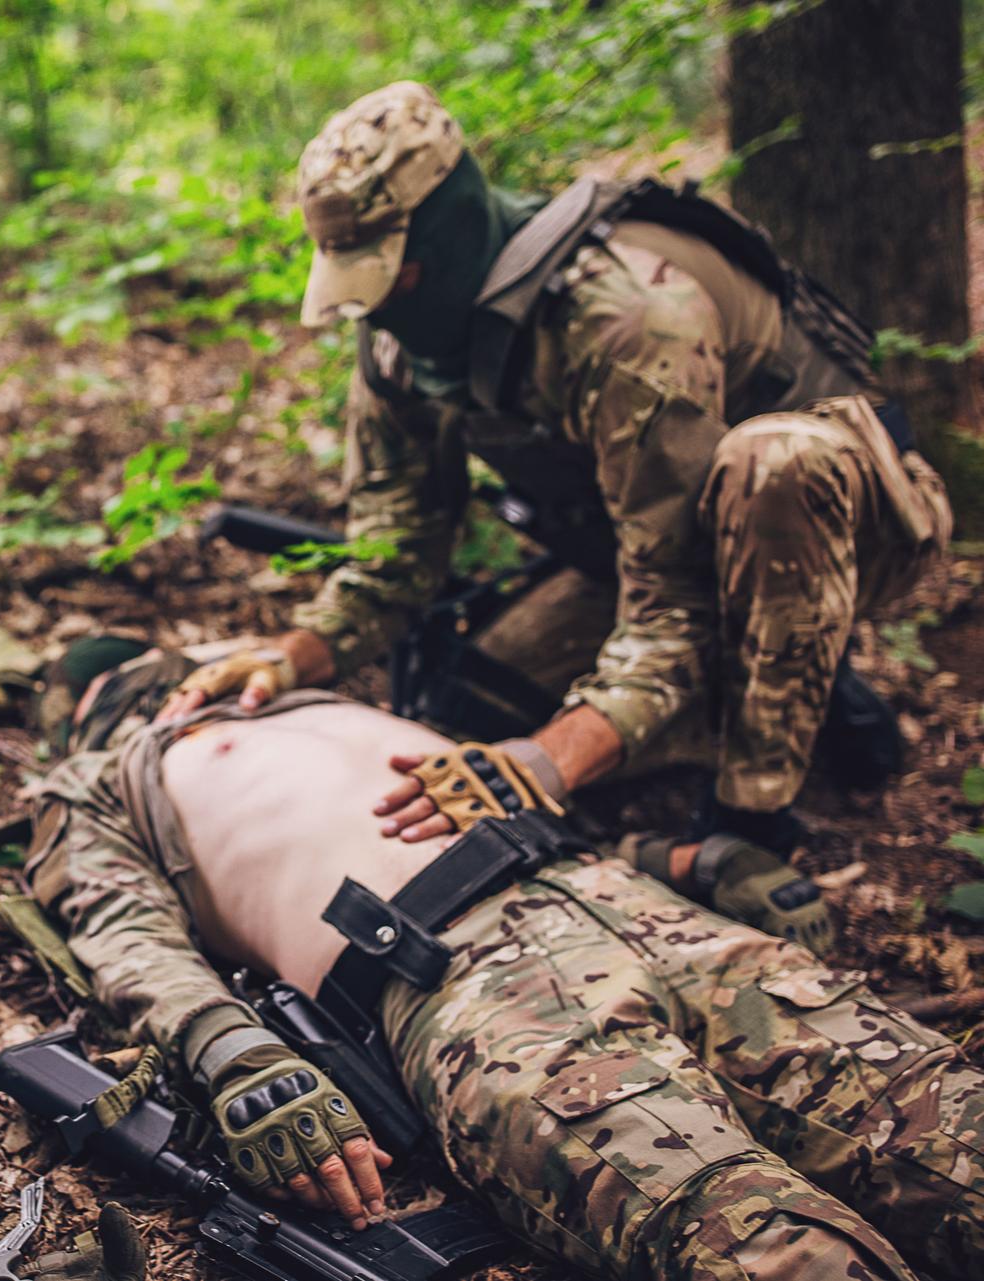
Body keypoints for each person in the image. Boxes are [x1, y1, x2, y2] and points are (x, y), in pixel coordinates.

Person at [164, 82, 953, 933]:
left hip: (837, 523)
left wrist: (551, 760)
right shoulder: (397, 340)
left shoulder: (626, 318)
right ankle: (751, 687)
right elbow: (396, 552)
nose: (378, 302)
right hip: (642, 545)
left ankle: (753, 814)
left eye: (395, 271)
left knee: (773, 468)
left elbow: (677, 600)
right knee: (473, 706)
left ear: (450, 228)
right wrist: (291, 655)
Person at [27, 642, 984, 1281]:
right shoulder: (101, 779)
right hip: (459, 977)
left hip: (622, 898)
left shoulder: (301, 690)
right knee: (750, 1235)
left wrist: (686, 862)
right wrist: (235, 1054)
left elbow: (475, 808)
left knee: (950, 1128)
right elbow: (126, 933)